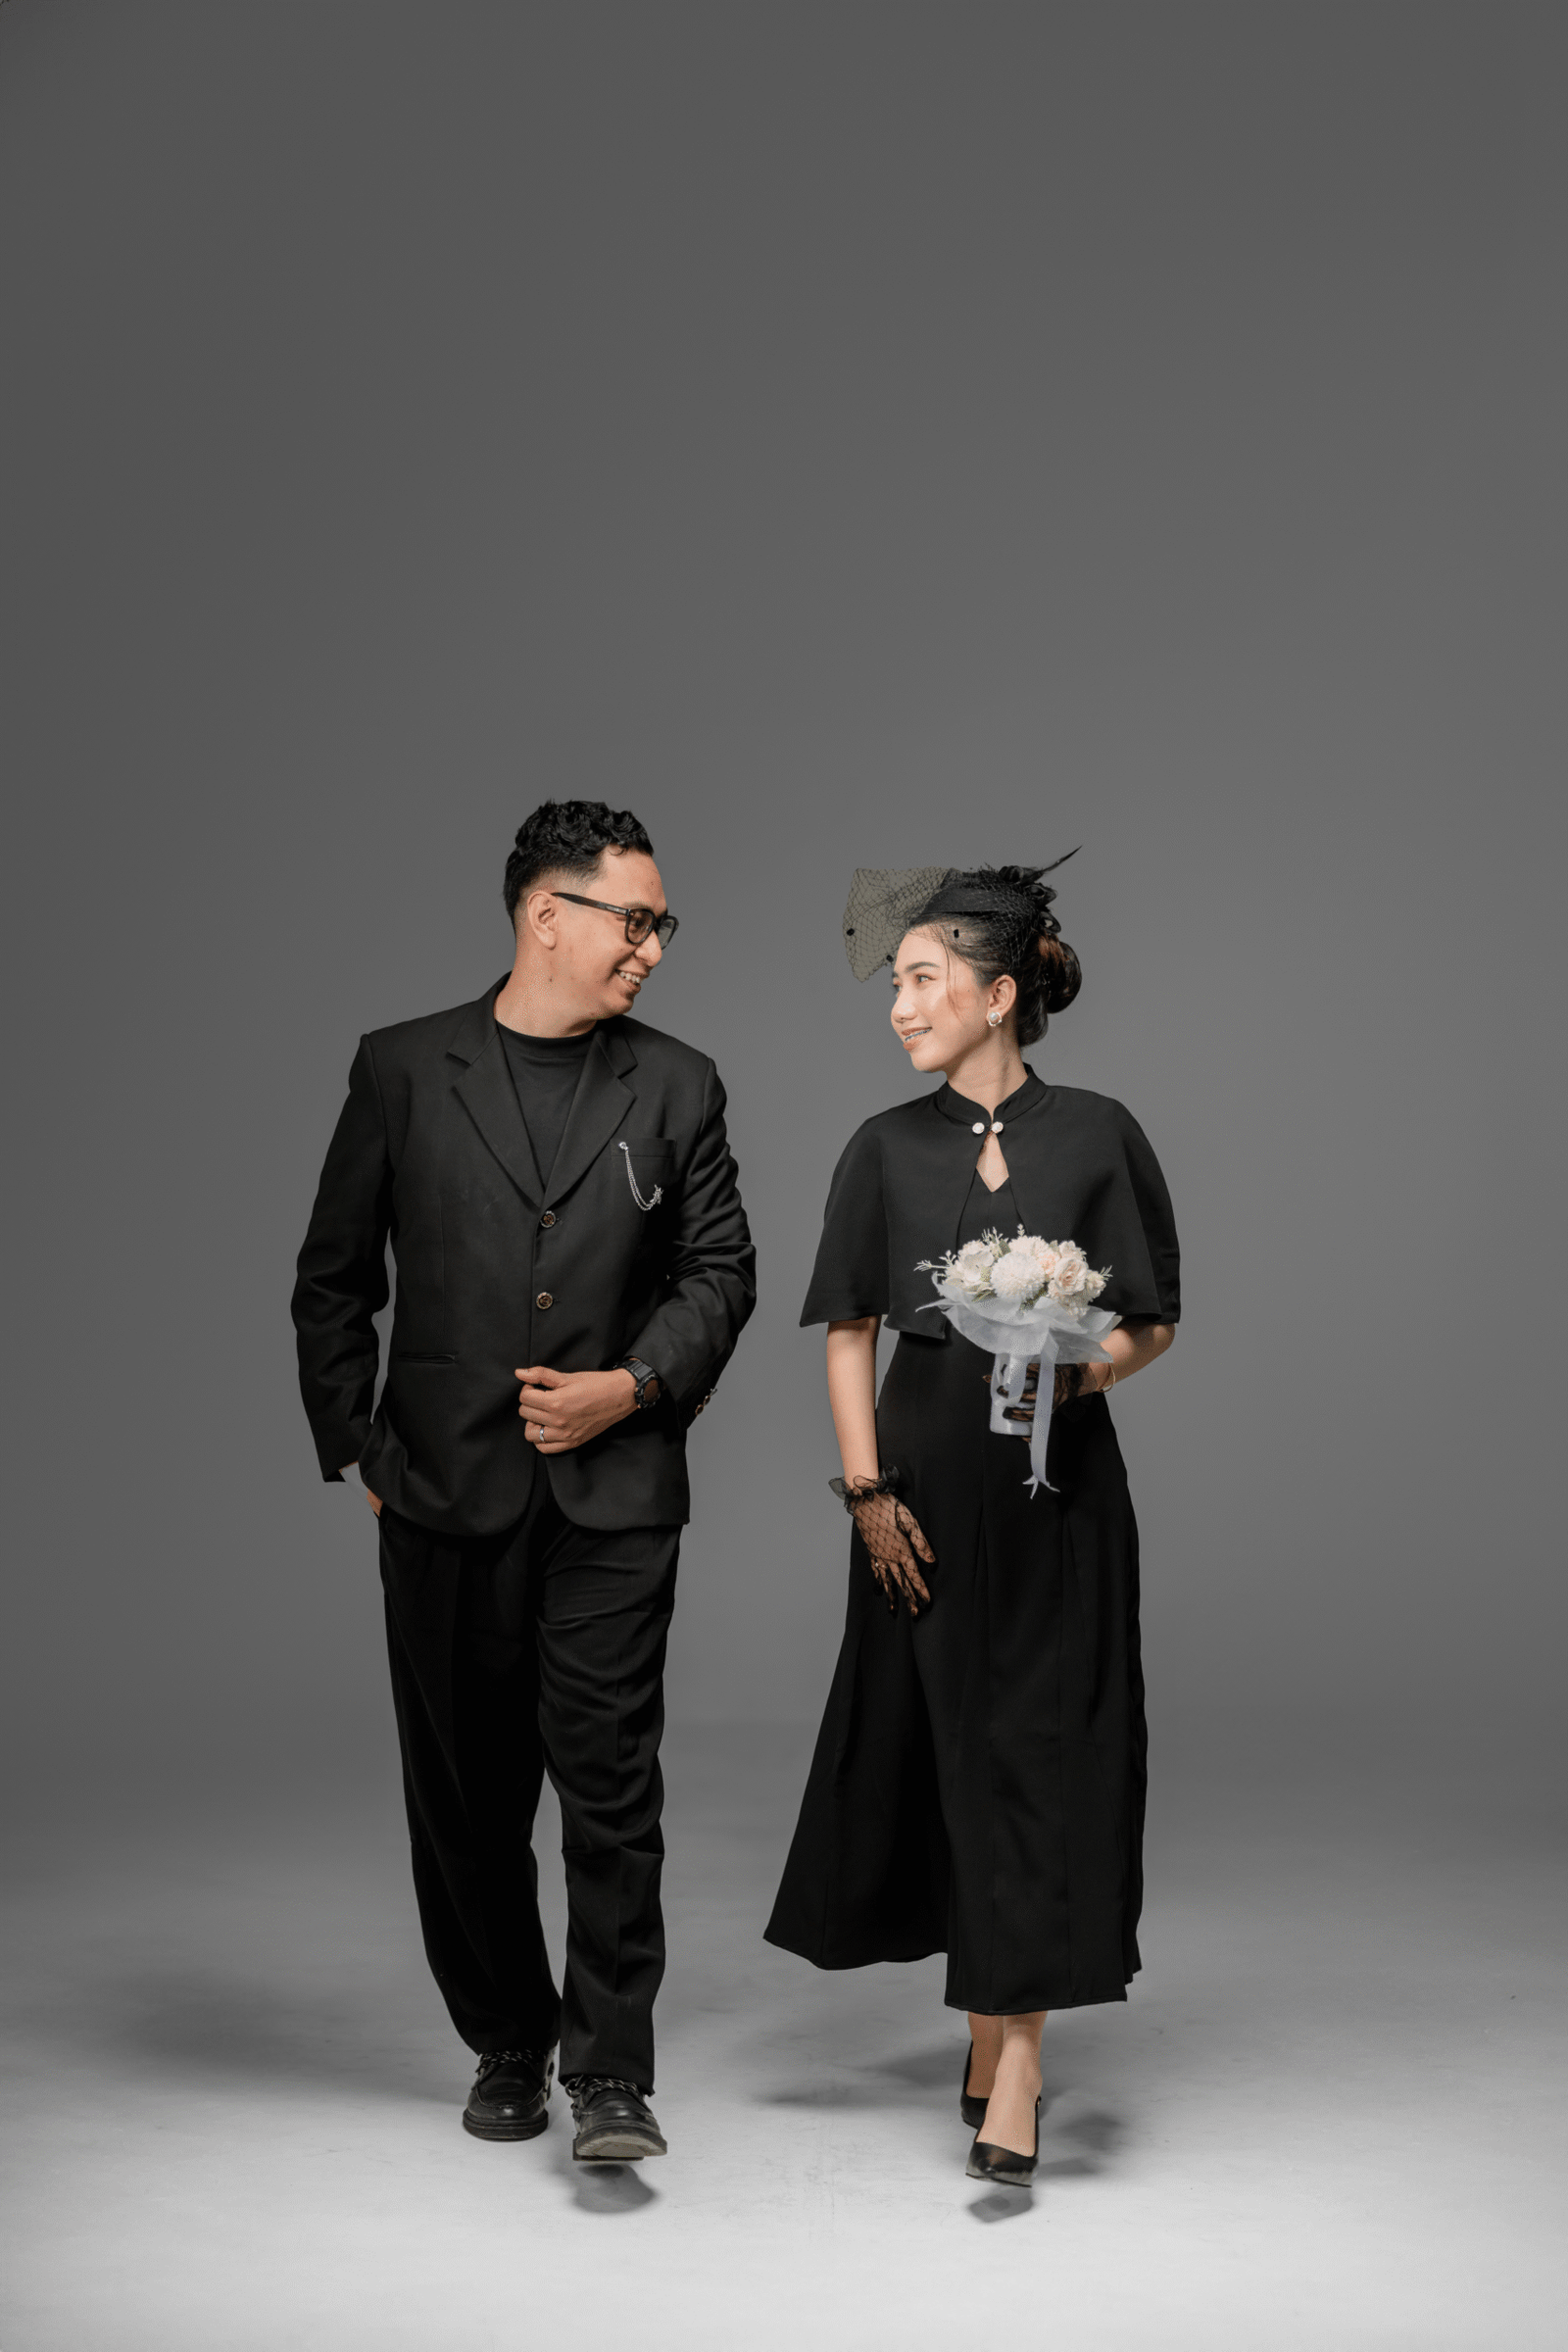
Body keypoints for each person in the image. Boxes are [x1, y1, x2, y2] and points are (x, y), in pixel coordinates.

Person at [292, 801, 755, 2165]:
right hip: (441, 1491)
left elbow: (720, 1272)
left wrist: (636, 1384)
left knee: (613, 1788)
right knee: (466, 1797)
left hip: (616, 1495)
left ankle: (612, 2074)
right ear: (547, 915)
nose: (654, 949)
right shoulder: (401, 1067)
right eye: (637, 920)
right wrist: (362, 1450)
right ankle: (507, 2037)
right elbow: (332, 1280)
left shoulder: (679, 1084)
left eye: (663, 925)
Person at [765, 860, 1179, 2186]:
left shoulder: (1101, 1133)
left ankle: (1019, 2061)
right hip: (923, 1493)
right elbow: (848, 1333)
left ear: (999, 995)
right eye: (896, 985)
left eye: (923, 981)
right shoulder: (881, 1146)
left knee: (1048, 1752)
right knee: (944, 1748)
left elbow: (1154, 1319)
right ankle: (987, 2013)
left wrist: (1076, 1367)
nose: (900, 1007)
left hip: (1060, 1495)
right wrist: (866, 1495)